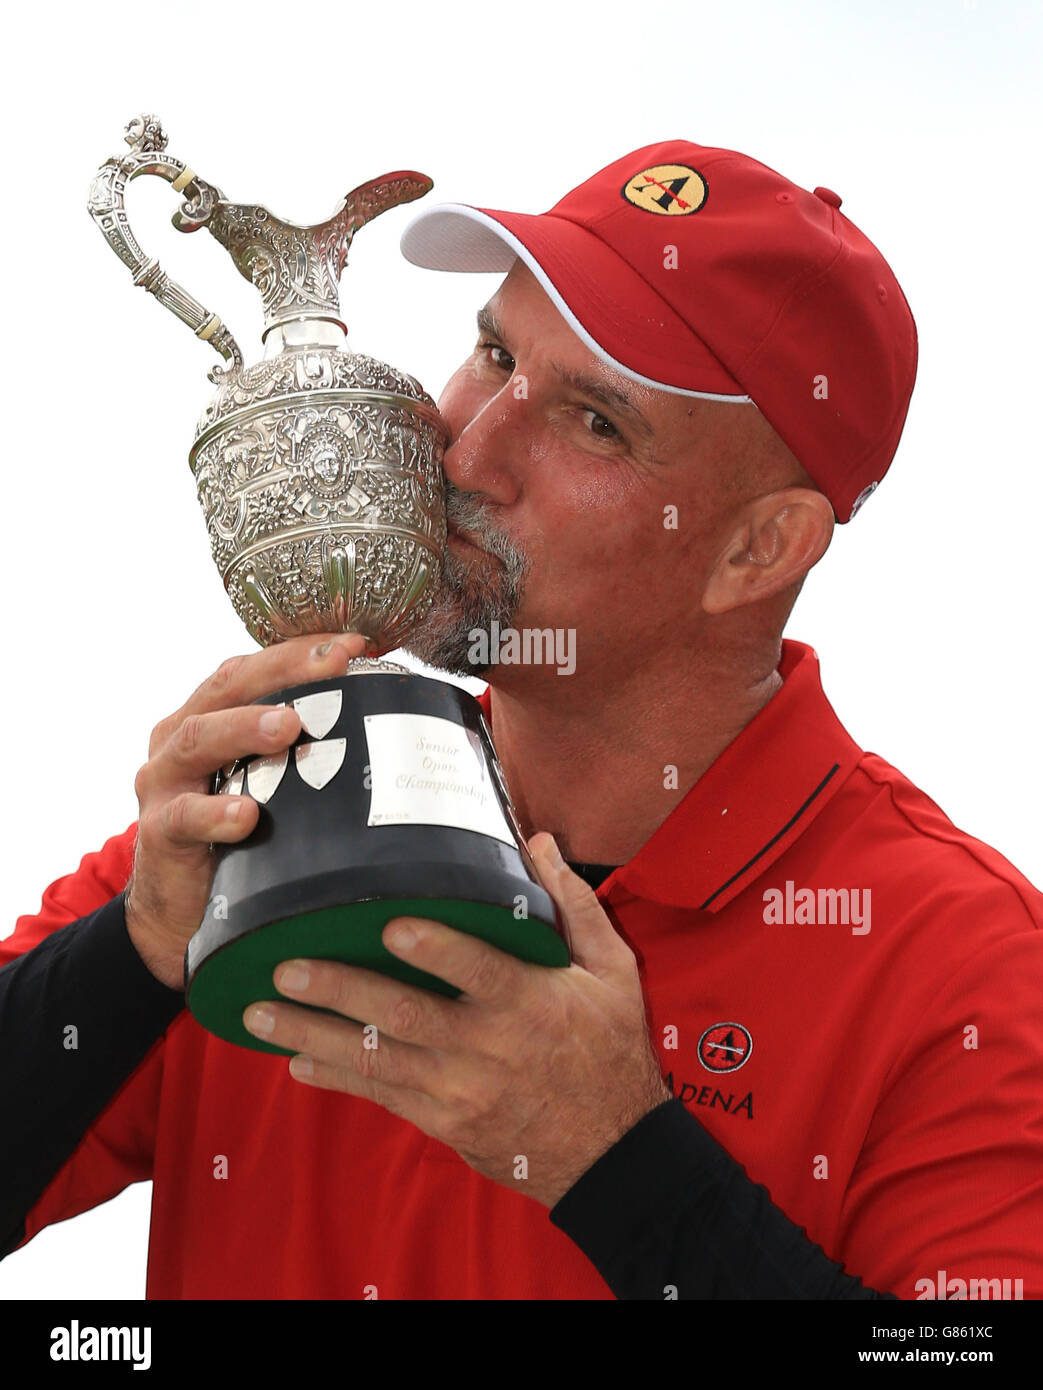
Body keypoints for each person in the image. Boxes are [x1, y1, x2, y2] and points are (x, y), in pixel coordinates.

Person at [2, 140, 1041, 1301]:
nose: (470, 449)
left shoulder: (965, 968)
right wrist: (135, 955)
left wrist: (612, 1156)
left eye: (596, 421)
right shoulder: (276, 797)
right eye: (492, 351)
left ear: (759, 548)